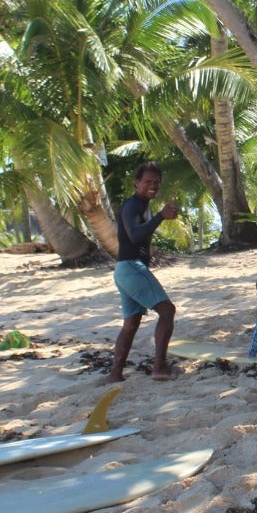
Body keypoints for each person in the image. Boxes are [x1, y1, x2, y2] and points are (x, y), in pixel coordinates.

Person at [108, 162, 179, 383]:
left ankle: (115, 373)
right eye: (147, 181)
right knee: (167, 312)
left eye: (156, 182)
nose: (153, 186)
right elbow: (135, 236)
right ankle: (159, 367)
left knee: (131, 323)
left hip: (124, 270)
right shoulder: (133, 205)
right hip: (131, 267)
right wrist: (160, 217)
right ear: (136, 183)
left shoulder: (142, 205)